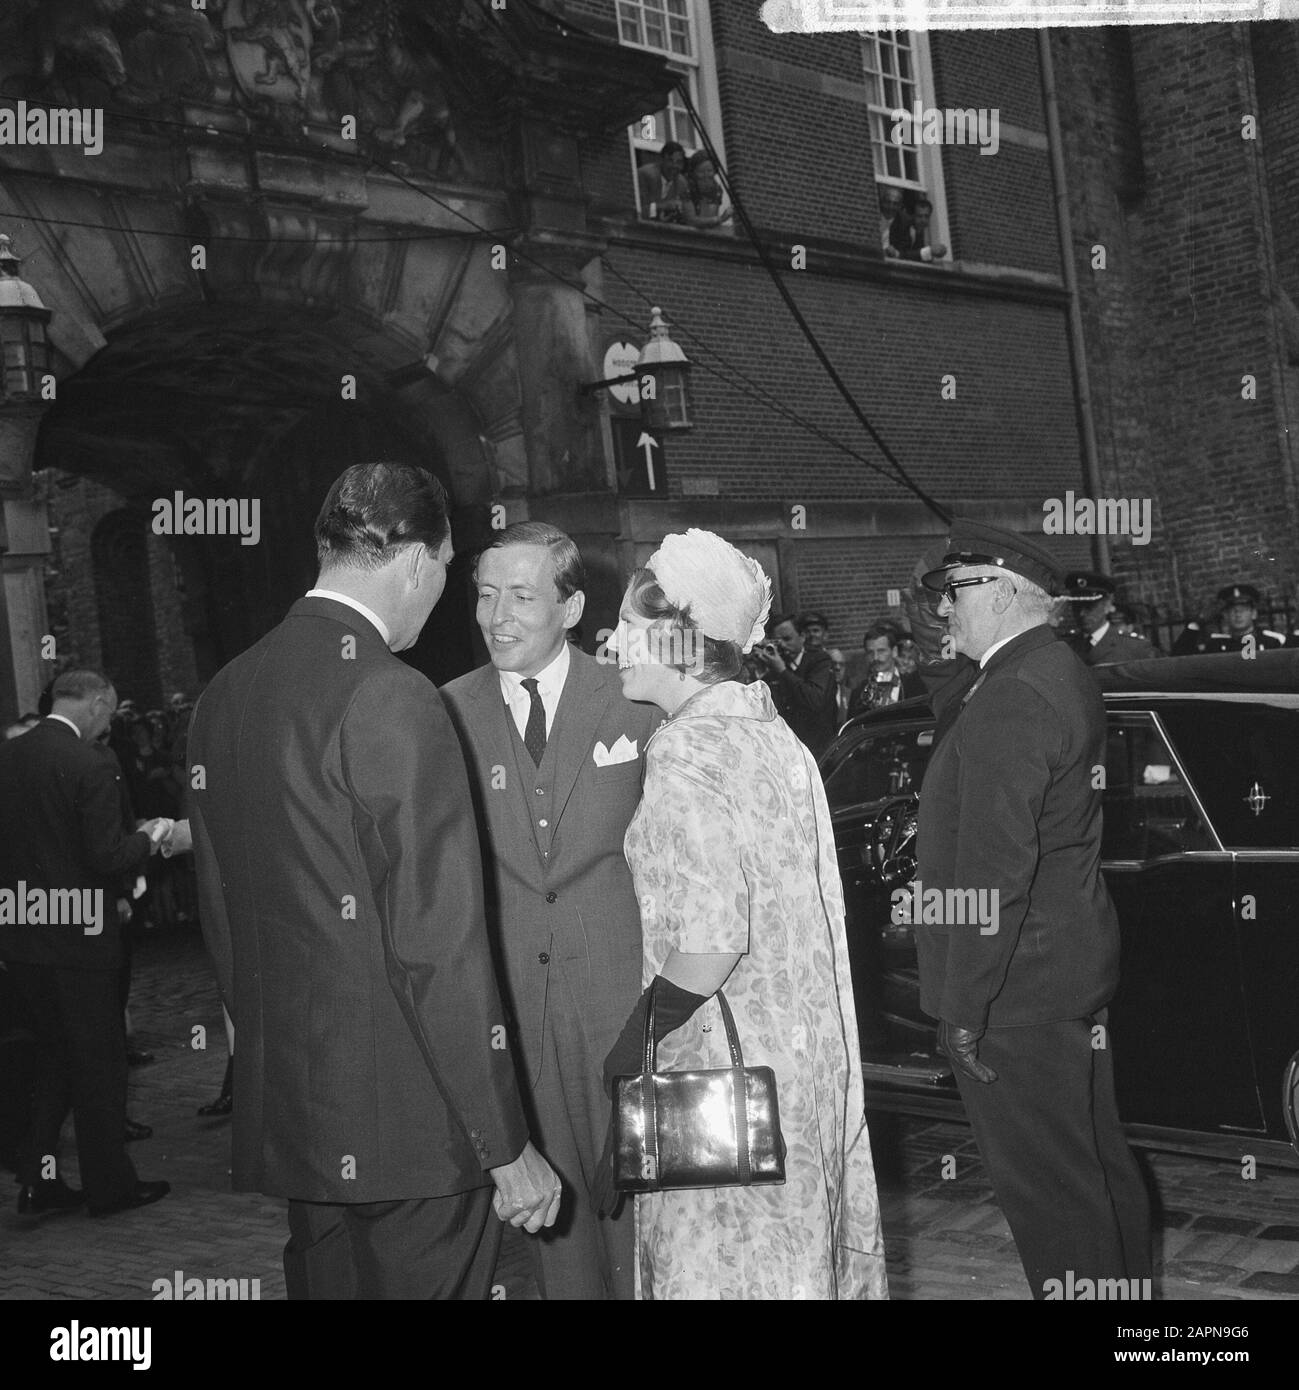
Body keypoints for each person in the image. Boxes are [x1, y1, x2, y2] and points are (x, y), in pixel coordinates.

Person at [187, 462, 559, 1300]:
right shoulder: (392, 695)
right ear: (419, 560)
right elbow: (439, 944)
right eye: (449, 571)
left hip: (302, 1117)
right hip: (412, 1129)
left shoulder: (225, 693)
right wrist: (503, 1144)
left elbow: (222, 916)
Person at [601, 528, 887, 1300]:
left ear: (678, 637)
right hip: (800, 1069)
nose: (612, 642)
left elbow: (710, 941)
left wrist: (632, 1045)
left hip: (724, 1083)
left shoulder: (687, 750)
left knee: (725, 1267)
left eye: (627, 626)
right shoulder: (767, 731)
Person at [913, 519, 1151, 1299]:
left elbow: (992, 873)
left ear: (1009, 592)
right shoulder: (1050, 668)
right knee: (1091, 1170)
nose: (942, 608)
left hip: (1015, 987)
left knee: (1050, 1196)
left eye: (955, 591)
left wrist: (962, 1006)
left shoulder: (1012, 693)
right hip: (1062, 968)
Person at [441, 522, 663, 1301]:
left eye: (522, 596)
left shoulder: (635, 701)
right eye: (485, 594)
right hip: (513, 1020)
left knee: (649, 1212)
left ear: (570, 609)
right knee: (552, 1229)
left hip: (629, 1013)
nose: (497, 615)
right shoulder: (442, 715)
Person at [0, 669, 172, 1217]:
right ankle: (110, 1188)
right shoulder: (91, 763)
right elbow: (107, 857)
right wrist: (153, 837)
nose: (109, 726)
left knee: (56, 1059)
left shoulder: (9, 755)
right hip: (79, 938)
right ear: (96, 703)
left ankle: (37, 1179)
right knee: (99, 1065)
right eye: (111, 713)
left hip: (22, 935)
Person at [752, 612, 838, 755]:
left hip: (820, 750)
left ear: (802, 636)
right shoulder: (774, 667)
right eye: (777, 642)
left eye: (787, 639)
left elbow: (815, 700)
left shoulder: (819, 661)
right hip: (789, 751)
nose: (783, 646)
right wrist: (760, 672)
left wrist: (782, 671)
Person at [1060, 572, 1161, 664]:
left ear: (1107, 605)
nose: (1081, 613)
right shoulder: (1066, 648)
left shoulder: (1136, 648)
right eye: (1076, 606)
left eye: (1089, 606)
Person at [1173, 582, 1285, 655]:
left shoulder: (1273, 641)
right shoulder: (1215, 645)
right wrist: (1197, 624)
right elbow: (1179, 656)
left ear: (1254, 614)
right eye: (1233, 610)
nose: (1238, 614)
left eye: (1243, 609)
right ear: (1225, 615)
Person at [847, 621, 926, 716]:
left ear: (894, 651)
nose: (875, 657)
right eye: (870, 653)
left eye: (881, 651)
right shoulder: (859, 693)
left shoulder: (915, 685)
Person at [636, 140, 689, 223]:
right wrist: (663, 206)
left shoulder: (682, 183)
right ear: (661, 160)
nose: (674, 166)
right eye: (670, 160)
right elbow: (638, 211)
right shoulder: (645, 175)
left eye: (679, 162)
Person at [889, 194, 948, 262]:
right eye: (920, 216)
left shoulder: (928, 232)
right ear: (913, 216)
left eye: (926, 216)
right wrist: (929, 251)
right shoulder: (905, 227)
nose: (923, 220)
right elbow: (901, 254)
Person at [683, 150, 731, 228]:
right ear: (693, 173)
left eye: (709, 171)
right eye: (701, 171)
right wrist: (721, 219)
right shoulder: (686, 186)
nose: (706, 176)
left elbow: (710, 221)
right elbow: (691, 221)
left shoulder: (716, 190)